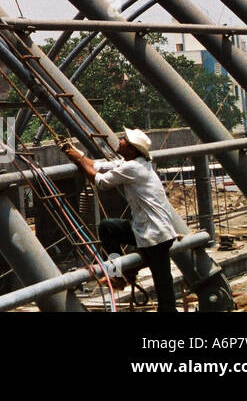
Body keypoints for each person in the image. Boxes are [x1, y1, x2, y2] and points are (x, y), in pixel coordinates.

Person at [63, 128, 180, 312]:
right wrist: (79, 154)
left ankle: (120, 274)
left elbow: (100, 181)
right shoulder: (134, 163)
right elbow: (97, 165)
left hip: (154, 235)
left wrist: (78, 160)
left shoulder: (132, 168)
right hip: (150, 230)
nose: (120, 140)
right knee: (108, 227)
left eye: (124, 139)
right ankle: (118, 273)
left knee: (164, 288)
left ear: (132, 149)